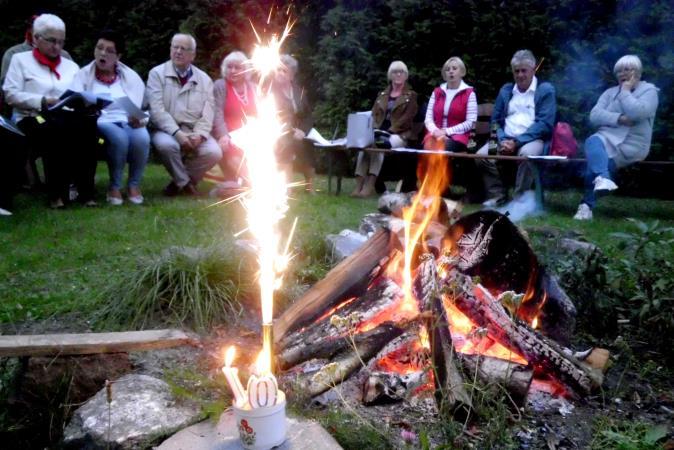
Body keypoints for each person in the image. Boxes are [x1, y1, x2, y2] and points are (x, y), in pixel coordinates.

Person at [3, 13, 99, 209]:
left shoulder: (71, 66)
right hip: (31, 117)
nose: (57, 47)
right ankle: (57, 195)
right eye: (52, 41)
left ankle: (85, 192)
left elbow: (79, 93)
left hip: (66, 116)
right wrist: (43, 101)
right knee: (53, 129)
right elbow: (10, 95)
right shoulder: (19, 60)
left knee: (90, 129)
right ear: (36, 38)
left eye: (61, 42)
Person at [573, 55, 659, 220]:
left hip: (633, 144)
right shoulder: (609, 93)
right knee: (593, 141)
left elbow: (638, 113)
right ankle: (604, 179)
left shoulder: (650, 91)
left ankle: (586, 206)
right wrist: (619, 118)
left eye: (627, 69)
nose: (622, 73)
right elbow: (594, 116)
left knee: (595, 166)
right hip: (608, 136)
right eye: (619, 70)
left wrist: (626, 92)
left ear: (638, 73)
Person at [70, 30, 149, 206]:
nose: (102, 53)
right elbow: (75, 101)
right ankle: (114, 187)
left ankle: (134, 185)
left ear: (118, 56)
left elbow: (139, 108)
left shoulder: (131, 77)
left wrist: (137, 118)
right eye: (99, 48)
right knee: (119, 138)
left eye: (109, 50)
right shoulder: (83, 74)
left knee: (142, 138)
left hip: (127, 119)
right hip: (99, 120)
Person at [477, 49, 556, 207]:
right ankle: (497, 195)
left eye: (524, 71)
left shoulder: (545, 90)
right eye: (516, 71)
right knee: (481, 155)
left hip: (532, 139)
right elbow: (495, 121)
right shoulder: (506, 91)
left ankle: (520, 199)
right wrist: (502, 139)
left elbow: (545, 124)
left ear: (533, 70)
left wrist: (518, 142)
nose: (520, 75)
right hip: (504, 138)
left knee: (527, 155)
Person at [146, 33, 221, 197]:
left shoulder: (205, 80)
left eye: (183, 48)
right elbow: (157, 111)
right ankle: (187, 186)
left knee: (214, 152)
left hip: (194, 131)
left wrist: (200, 135)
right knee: (167, 146)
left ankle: (176, 184)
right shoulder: (156, 74)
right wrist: (178, 134)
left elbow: (208, 113)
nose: (178, 52)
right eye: (175, 47)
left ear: (192, 55)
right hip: (166, 130)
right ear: (170, 49)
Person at [352, 60, 418, 197]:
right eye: (395, 72)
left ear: (406, 76)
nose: (398, 74)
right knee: (366, 145)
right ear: (390, 75)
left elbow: (407, 119)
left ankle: (369, 185)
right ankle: (358, 186)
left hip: (399, 135)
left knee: (377, 144)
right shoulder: (381, 95)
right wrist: (375, 129)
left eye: (401, 72)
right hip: (378, 132)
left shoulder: (411, 96)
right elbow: (373, 114)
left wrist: (389, 131)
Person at [424, 56, 479, 200]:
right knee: (427, 146)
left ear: (462, 72)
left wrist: (446, 132)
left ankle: (440, 189)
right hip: (435, 134)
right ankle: (440, 189)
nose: (451, 72)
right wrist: (435, 131)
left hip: (459, 135)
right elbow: (428, 118)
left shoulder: (469, 93)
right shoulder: (437, 92)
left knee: (441, 146)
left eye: (455, 68)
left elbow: (471, 122)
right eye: (447, 69)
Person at [212, 51, 257, 185]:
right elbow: (217, 113)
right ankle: (253, 184)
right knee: (231, 147)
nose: (233, 70)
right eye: (229, 67)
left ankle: (248, 181)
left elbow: (259, 113)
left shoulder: (253, 87)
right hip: (227, 132)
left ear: (245, 70)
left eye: (238, 67)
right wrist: (223, 135)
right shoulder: (220, 85)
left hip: (248, 132)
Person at [273, 54, 315, 192]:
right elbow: (275, 116)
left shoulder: (299, 91)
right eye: (278, 70)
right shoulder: (270, 91)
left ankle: (310, 184)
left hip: (299, 132)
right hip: (280, 131)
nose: (280, 73)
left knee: (307, 143)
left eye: (284, 71)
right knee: (288, 142)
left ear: (291, 75)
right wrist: (292, 131)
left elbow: (308, 116)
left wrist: (303, 130)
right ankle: (287, 185)